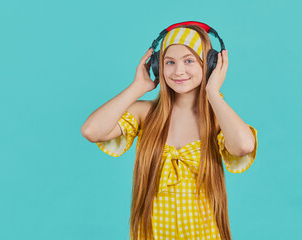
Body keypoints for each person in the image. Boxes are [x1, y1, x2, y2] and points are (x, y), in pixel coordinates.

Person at [81, 22, 258, 240]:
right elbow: (91, 130)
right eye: (169, 62)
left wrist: (212, 91)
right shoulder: (146, 114)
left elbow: (243, 146)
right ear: (157, 66)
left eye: (189, 61)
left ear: (210, 65)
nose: (178, 71)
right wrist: (138, 87)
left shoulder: (217, 120)